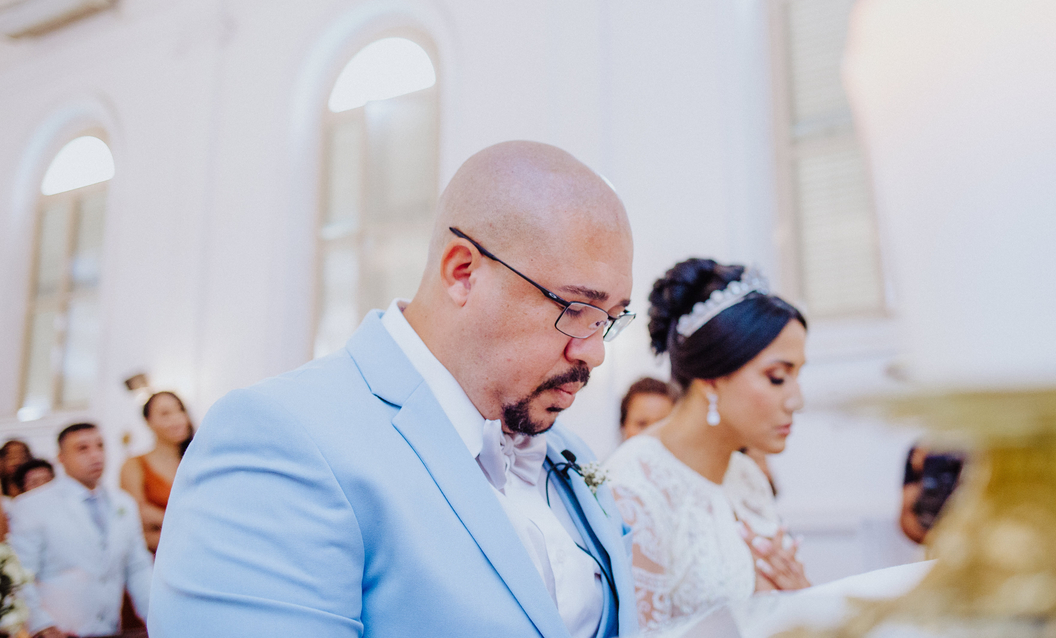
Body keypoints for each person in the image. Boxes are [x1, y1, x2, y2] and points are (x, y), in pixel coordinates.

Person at [151, 141, 640, 638]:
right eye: (577, 309)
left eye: (611, 320)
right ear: (463, 273)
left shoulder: (567, 451)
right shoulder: (281, 438)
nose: (594, 353)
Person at [608, 258, 810, 633]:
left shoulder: (746, 475)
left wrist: (800, 602)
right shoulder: (633, 490)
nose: (796, 400)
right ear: (712, 379)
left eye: (798, 374)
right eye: (778, 377)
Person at [9, 423, 152, 638]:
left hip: (110, 628)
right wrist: (41, 624)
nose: (95, 455)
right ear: (61, 457)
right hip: (58, 630)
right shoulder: (31, 506)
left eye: (100, 446)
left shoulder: (123, 503)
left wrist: (155, 616)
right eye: (82, 448)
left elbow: (138, 567)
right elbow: (20, 575)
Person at [120, 391, 193, 552]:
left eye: (180, 410)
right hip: (155, 554)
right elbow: (137, 513)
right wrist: (189, 526)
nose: (177, 418)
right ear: (148, 421)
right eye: (165, 413)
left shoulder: (196, 462)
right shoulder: (134, 464)